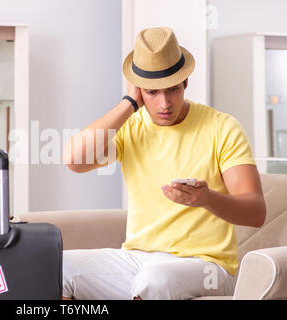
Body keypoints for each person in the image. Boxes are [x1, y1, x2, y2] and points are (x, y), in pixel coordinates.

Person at [61, 27, 266, 300]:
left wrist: (206, 199)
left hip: (208, 267)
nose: (165, 103)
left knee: (155, 281)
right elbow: (75, 161)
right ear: (138, 91)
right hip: (137, 260)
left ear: (185, 83)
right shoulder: (131, 125)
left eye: (172, 90)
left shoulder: (222, 127)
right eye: (152, 92)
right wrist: (127, 104)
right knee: (56, 267)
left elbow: (256, 212)